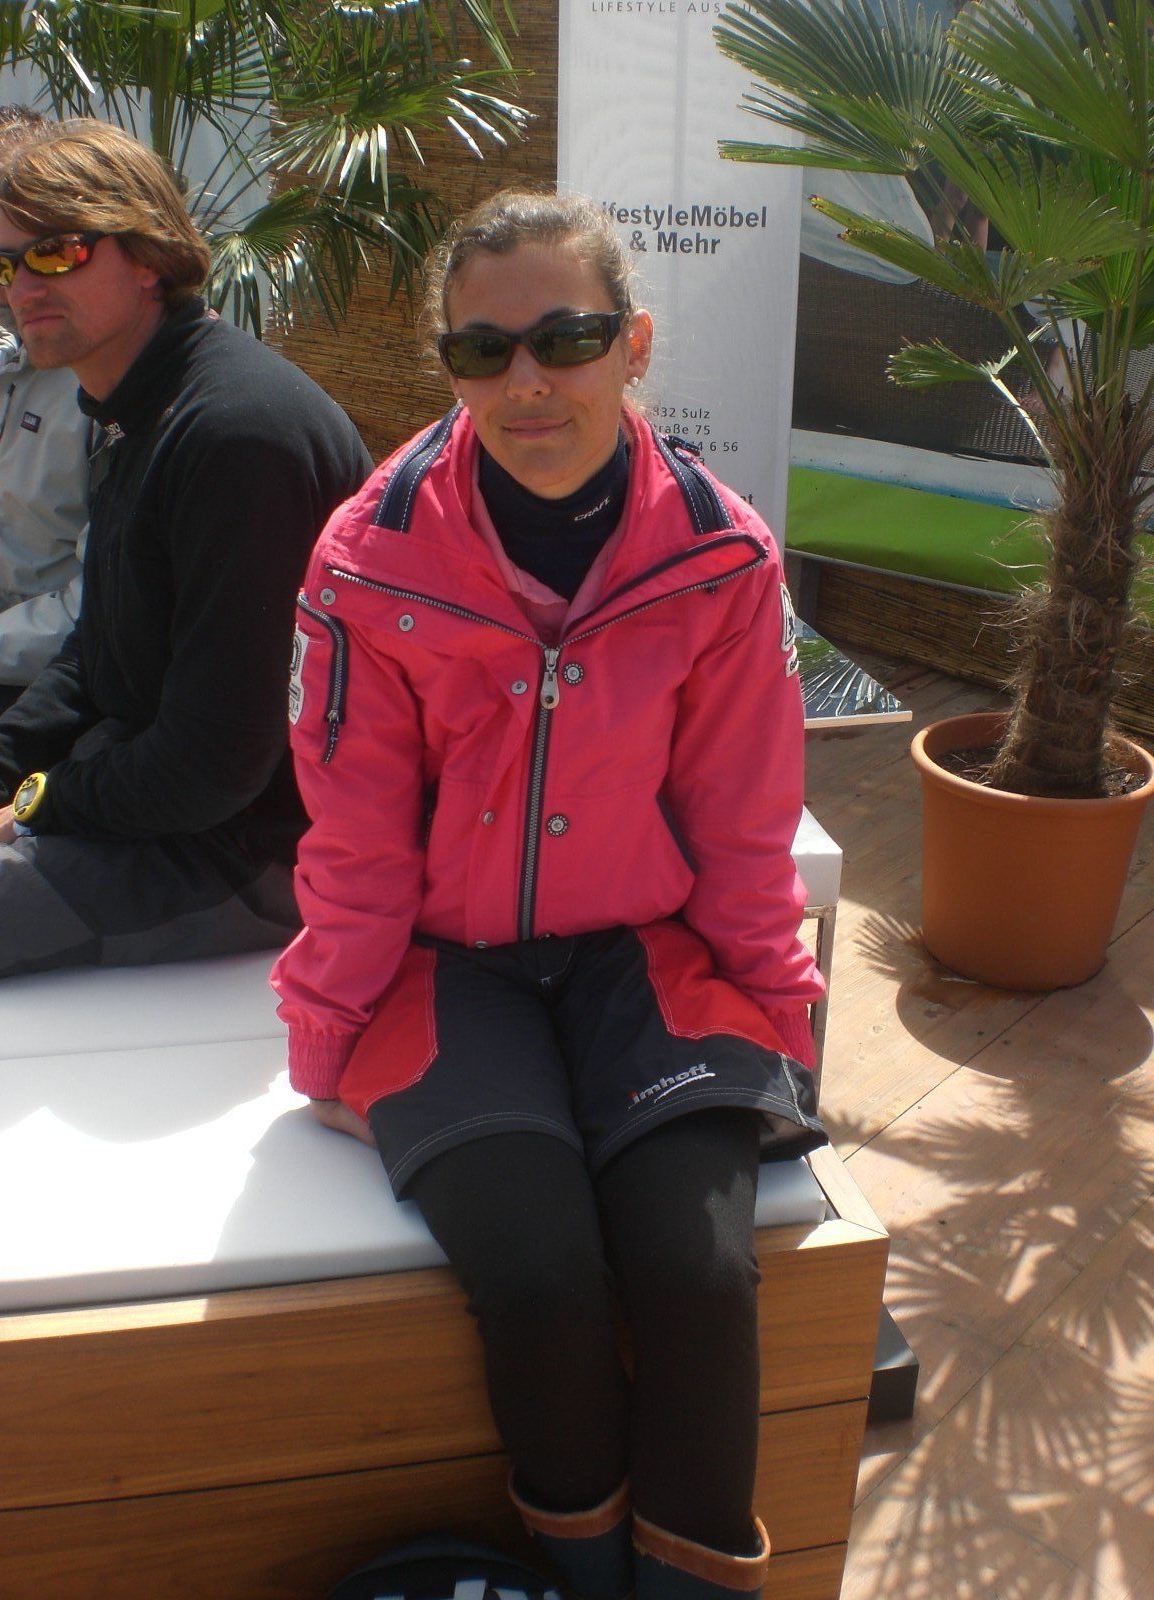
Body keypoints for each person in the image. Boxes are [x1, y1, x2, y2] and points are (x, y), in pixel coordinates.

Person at [272, 191, 827, 1600]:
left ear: (632, 344)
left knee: (699, 1277)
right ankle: (581, 1579)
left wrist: (782, 1014)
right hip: (445, 972)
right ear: (450, 368)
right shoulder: (369, 555)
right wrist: (325, 1033)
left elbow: (743, 820)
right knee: (538, 1275)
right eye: (485, 350)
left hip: (648, 957)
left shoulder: (719, 552)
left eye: (567, 339)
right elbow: (355, 832)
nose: (528, 382)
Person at [0, 120, 370, 984]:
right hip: (158, 798)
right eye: (4, 261)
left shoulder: (234, 434)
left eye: (57, 253)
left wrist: (34, 803)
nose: (20, 284)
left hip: (254, 852)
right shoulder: (132, 406)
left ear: (147, 257)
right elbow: (98, 651)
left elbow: (217, 765)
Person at [0, 107, 91, 756]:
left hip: (55, 681)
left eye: (5, 210)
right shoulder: (1, 339)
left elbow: (103, 607)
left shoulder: (104, 371)